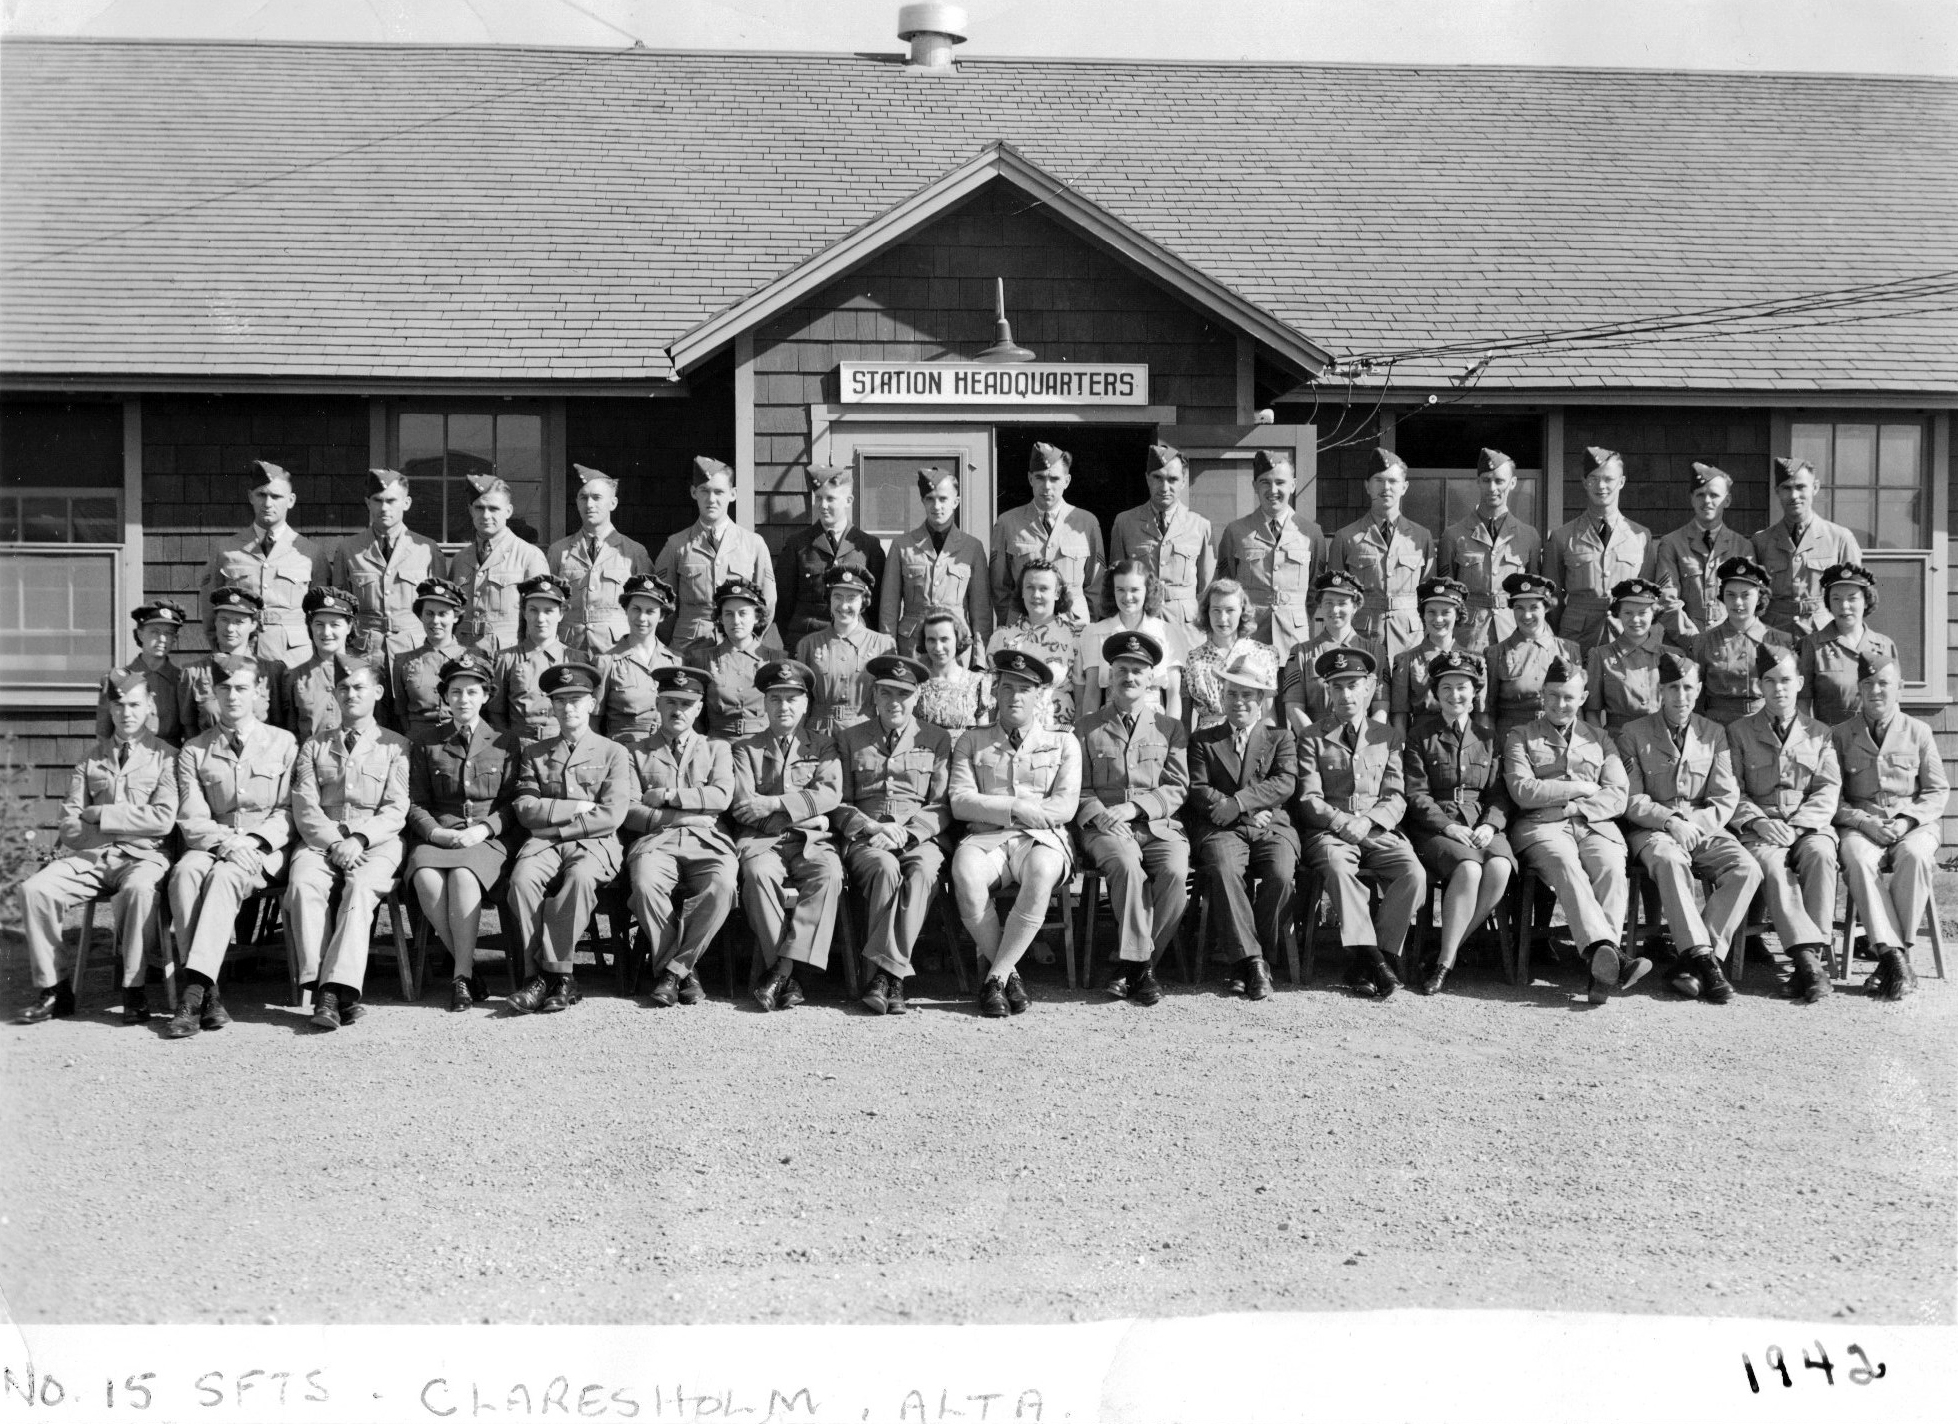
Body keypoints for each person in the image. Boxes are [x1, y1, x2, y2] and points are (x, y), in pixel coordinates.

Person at [16, 671, 177, 1025]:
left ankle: (133, 990)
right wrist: (114, 830)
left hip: (144, 858)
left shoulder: (166, 757)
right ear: (110, 709)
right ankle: (55, 990)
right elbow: (70, 825)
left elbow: (163, 819)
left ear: (149, 705)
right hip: (91, 857)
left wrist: (101, 814)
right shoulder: (91, 759)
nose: (126, 713)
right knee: (35, 890)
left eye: (135, 704)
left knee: (138, 889)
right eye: (118, 705)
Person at [164, 655, 299, 1039]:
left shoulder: (283, 742)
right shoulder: (195, 750)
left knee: (224, 876)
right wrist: (228, 842)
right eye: (225, 688)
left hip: (265, 849)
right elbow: (191, 817)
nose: (233, 696)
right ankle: (211, 994)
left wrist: (253, 841)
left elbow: (290, 809)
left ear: (258, 691)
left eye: (242, 688)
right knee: (185, 872)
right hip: (213, 842)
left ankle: (191, 994)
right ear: (213, 693)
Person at [1616, 655, 1762, 1003]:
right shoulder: (1633, 733)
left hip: (1703, 826)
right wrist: (1670, 822)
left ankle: (1693, 961)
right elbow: (1631, 799)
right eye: (1672, 688)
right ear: (1660, 691)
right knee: (1668, 861)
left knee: (1747, 869)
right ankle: (1706, 964)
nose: (1680, 696)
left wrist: (1693, 825)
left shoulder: (1714, 734)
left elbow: (1726, 797)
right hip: (1653, 828)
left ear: (1697, 691)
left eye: (1687, 688)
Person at [1503, 657, 1646, 1005]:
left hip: (1594, 826)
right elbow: (1523, 791)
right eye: (1552, 696)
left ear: (1582, 697)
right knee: (1565, 865)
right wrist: (1581, 789)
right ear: (1542, 695)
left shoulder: (1601, 740)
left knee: (1611, 868)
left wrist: (1573, 807)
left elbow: (1617, 795)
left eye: (1568, 697)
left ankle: (1601, 972)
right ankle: (1609, 957)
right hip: (1542, 828)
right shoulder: (1520, 736)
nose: (1559, 704)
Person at [948, 649, 1082, 1019]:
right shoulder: (971, 741)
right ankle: (1009, 975)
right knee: (965, 872)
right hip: (987, 840)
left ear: (1040, 696)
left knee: (1042, 871)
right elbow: (960, 801)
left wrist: (1011, 816)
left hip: (1042, 839)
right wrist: (1014, 809)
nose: (1015, 697)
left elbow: (1064, 806)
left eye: (1025, 689)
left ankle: (995, 978)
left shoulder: (1062, 742)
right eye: (1007, 688)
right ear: (995, 691)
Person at [288, 660, 413, 1030]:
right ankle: (325, 985)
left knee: (360, 887)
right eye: (343, 688)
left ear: (376, 693)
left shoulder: (396, 745)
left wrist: (359, 838)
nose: (351, 694)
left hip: (377, 841)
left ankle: (330, 993)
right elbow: (305, 805)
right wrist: (335, 842)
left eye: (359, 687)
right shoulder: (314, 746)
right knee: (303, 883)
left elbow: (396, 807)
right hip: (322, 842)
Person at [1294, 646, 1424, 998]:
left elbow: (1396, 795)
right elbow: (1309, 798)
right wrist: (1344, 824)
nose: (1345, 694)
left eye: (1353, 685)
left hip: (1377, 829)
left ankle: (1369, 959)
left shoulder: (1388, 738)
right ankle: (1376, 962)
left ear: (1369, 687)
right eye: (1337, 687)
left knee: (1412, 873)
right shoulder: (1311, 737)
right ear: (1328, 691)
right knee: (1337, 867)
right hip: (1330, 833)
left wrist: (1367, 824)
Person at [504, 661, 634, 1014]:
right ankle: (547, 978)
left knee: (579, 879)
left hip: (595, 843)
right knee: (522, 880)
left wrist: (555, 825)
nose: (568, 707)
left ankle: (548, 976)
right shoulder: (535, 752)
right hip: (544, 845)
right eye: (560, 701)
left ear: (592, 704)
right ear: (552, 706)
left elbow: (610, 815)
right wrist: (575, 806)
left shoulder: (613, 752)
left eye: (576, 699)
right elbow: (525, 808)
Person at [832, 654, 953, 1015]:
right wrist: (870, 827)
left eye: (903, 694)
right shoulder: (850, 737)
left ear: (916, 697)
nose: (894, 702)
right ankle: (887, 976)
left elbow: (942, 804)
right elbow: (838, 802)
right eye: (886, 693)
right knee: (884, 870)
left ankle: (885, 977)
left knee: (922, 873)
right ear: (874, 696)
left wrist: (908, 835)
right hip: (869, 836)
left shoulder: (936, 738)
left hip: (919, 836)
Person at [1074, 631, 1191, 1006]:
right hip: (1106, 827)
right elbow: (1076, 788)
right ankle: (1143, 969)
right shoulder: (1086, 728)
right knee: (1127, 866)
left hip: (1156, 825)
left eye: (1138, 670)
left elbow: (1177, 787)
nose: (1130, 677)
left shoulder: (1170, 728)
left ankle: (1134, 965)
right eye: (1122, 669)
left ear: (1150, 678)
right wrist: (1104, 815)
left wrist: (1137, 808)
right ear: (1110, 675)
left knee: (1175, 871)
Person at [1832, 651, 1951, 1000]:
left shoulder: (1919, 731)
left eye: (1884, 683)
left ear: (1899, 687)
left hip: (1912, 824)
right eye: (1868, 684)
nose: (1876, 691)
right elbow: (1831, 798)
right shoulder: (1841, 735)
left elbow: (1936, 790)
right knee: (1856, 857)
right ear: (1859, 688)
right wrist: (1862, 821)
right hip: (1862, 823)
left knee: (1915, 856)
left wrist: (1906, 821)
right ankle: (1896, 959)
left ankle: (1889, 958)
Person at [1726, 643, 1841, 1004]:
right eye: (1771, 681)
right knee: (1774, 866)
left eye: (1787, 680)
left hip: (1808, 826)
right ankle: (1808, 963)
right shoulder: (1739, 731)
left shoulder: (1820, 733)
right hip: (1762, 827)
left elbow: (1827, 789)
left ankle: (1810, 959)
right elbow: (1732, 790)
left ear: (1800, 683)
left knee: (1821, 855)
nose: (1779, 689)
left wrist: (1802, 827)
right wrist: (1758, 822)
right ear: (1760, 685)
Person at [405, 651, 519, 1013]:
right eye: (455, 692)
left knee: (463, 878)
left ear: (486, 695)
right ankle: (467, 973)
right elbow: (415, 802)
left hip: (487, 839)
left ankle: (460, 978)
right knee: (425, 876)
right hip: (440, 834)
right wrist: (436, 834)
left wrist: (485, 829)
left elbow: (513, 802)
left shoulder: (505, 741)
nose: (463, 700)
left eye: (472, 692)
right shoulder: (427, 741)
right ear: (445, 696)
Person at [620, 665, 737, 1009]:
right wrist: (686, 816)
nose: (678, 710)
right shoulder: (634, 751)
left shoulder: (717, 749)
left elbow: (721, 797)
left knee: (723, 886)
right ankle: (684, 972)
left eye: (686, 703)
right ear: (657, 703)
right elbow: (629, 810)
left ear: (699, 708)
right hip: (657, 841)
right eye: (670, 701)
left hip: (708, 843)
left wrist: (668, 795)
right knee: (645, 884)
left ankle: (671, 972)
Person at [731, 659, 845, 1011]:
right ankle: (788, 976)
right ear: (764, 703)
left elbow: (829, 794)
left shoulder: (823, 746)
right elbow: (742, 807)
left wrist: (775, 803)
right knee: (757, 874)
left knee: (829, 875)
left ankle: (780, 972)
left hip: (811, 845)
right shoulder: (744, 748)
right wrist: (808, 818)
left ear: (806, 703)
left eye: (792, 698)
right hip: (762, 840)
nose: (784, 706)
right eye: (776, 699)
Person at [1184, 650, 1298, 998]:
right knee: (1223, 868)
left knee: (1280, 874)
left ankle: (1248, 957)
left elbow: (1284, 783)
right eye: (1232, 693)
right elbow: (1199, 788)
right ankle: (1254, 963)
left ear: (1261, 700)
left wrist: (1239, 803)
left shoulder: (1280, 737)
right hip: (1221, 828)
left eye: (1247, 695)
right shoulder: (1204, 739)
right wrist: (1241, 811)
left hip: (1270, 826)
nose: (1238, 702)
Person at [1401, 649, 1515, 996]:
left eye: (1462, 687)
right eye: (1447, 687)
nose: (1455, 695)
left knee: (1499, 868)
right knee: (1469, 870)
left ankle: (1445, 952)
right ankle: (1445, 964)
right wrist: (1448, 826)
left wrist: (1490, 826)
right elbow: (1416, 794)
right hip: (1438, 826)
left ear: (1474, 692)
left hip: (1479, 821)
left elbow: (1499, 794)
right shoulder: (1421, 736)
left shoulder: (1489, 738)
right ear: (1436, 693)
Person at [198, 459, 328, 667]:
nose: (268, 503)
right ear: (250, 496)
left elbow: (321, 614)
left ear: (291, 500)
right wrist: (224, 652)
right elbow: (209, 610)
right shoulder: (225, 550)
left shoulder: (310, 553)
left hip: (295, 659)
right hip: (241, 657)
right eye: (261, 495)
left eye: (276, 496)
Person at [653, 455, 776, 652]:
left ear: (733, 494)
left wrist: (748, 640)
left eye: (719, 492)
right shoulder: (676, 545)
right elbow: (664, 606)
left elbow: (767, 603)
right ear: (694, 492)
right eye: (704, 491)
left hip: (737, 647)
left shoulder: (753, 544)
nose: (711, 499)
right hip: (688, 648)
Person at [1541, 446, 1656, 651]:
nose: (1601, 485)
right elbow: (1553, 599)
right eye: (1593, 478)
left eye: (1608, 479)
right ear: (1584, 482)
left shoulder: (1641, 536)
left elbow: (1646, 597)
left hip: (1624, 635)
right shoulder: (1562, 536)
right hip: (1576, 638)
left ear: (1621, 482)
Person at [1329, 447, 1436, 665]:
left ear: (1404, 487)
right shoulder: (1346, 537)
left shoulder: (1422, 537)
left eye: (1393, 481)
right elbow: (1335, 597)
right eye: (1378, 480)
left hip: (1410, 638)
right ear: (1367, 486)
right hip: (1362, 635)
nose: (1386, 488)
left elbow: (1429, 597)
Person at [1216, 449, 1326, 659]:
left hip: (1295, 641)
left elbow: (1314, 591)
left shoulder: (1311, 533)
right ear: (1255, 486)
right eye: (1265, 482)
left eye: (1280, 482)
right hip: (1250, 640)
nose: (1273, 490)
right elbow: (1226, 588)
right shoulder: (1236, 531)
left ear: (1293, 485)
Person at [329, 468, 444, 664]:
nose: (384, 508)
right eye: (377, 500)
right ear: (367, 503)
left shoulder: (426, 549)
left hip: (414, 649)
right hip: (365, 651)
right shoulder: (349, 549)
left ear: (406, 503)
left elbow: (441, 608)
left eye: (391, 501)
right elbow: (340, 608)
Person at [1108, 442, 1215, 648]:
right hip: (1141, 624)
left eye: (1173, 479)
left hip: (1187, 628)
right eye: (1158, 478)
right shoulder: (1125, 523)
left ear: (1183, 481)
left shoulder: (1200, 525)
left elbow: (1206, 588)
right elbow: (1116, 581)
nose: (1165, 487)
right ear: (1147, 479)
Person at [880, 464, 992, 659]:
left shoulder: (972, 547)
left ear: (956, 502)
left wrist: (980, 660)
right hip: (912, 647)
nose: (936, 506)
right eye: (930, 499)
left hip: (958, 647)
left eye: (943, 499)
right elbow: (889, 609)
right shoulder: (902, 546)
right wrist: (888, 655)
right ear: (922, 501)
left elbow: (981, 612)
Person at [988, 441, 1106, 626]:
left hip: (1074, 626)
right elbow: (999, 586)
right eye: (1040, 478)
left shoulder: (1086, 523)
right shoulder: (1008, 522)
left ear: (1067, 481)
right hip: (1024, 625)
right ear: (1030, 479)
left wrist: (1087, 623)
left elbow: (1096, 584)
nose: (1047, 486)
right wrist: (1012, 623)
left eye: (1054, 479)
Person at [1436, 448, 1541, 652]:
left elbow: (1536, 597)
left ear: (1512, 483)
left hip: (1513, 631)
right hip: (1468, 636)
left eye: (1499, 481)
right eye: (1486, 480)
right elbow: (1446, 597)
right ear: (1478, 482)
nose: (1492, 488)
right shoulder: (1453, 535)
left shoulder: (1529, 536)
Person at [775, 464, 888, 646]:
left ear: (849, 500)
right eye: (818, 498)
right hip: (806, 643)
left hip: (855, 644)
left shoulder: (869, 546)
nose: (823, 505)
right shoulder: (797, 545)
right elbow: (783, 606)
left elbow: (877, 606)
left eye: (830, 499)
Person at [549, 463, 654, 659]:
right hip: (569, 648)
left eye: (596, 498)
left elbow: (649, 606)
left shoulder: (633, 552)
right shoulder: (559, 551)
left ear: (613, 503)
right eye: (583, 497)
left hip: (617, 650)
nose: (589, 505)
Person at [1755, 456, 1863, 639]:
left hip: (1824, 632)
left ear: (1815, 487)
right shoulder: (1762, 541)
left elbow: (1855, 598)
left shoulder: (1840, 538)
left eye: (1800, 487)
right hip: (1773, 633)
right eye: (1786, 488)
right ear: (1777, 491)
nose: (1794, 495)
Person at [1277, 570, 1388, 739]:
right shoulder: (1301, 652)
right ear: (1320, 606)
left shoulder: (1375, 652)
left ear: (1355, 606)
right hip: (1315, 747)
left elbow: (1381, 706)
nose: (1335, 610)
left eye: (1342, 603)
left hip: (1362, 745)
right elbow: (1294, 708)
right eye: (1328, 603)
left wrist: (1366, 743)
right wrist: (1316, 745)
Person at [448, 473, 550, 655]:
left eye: (494, 509)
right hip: (463, 658)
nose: (486, 515)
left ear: (509, 511)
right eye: (479, 508)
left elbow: (540, 621)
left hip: (507, 657)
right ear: (471, 510)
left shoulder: (529, 556)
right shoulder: (460, 559)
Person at [1688, 555, 1795, 725]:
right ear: (1722, 596)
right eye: (1730, 595)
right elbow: (1695, 697)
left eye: (1746, 595)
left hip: (1765, 725)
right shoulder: (1704, 642)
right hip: (1717, 727)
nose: (1737, 602)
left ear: (1760, 597)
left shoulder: (1779, 641)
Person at [795, 563, 895, 742]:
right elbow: (802, 699)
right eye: (838, 597)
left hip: (866, 734)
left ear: (863, 601)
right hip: (819, 735)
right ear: (829, 600)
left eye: (852, 598)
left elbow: (890, 699)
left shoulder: (883, 645)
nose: (844, 605)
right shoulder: (808, 644)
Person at [1653, 462, 1752, 640]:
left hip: (1730, 643)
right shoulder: (1672, 544)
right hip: (1683, 646)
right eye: (1700, 495)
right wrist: (1693, 640)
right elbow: (1666, 600)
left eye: (1714, 495)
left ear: (1727, 500)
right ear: (1692, 498)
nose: (1707, 501)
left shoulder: (1743, 547)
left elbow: (1749, 601)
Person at [1077, 560, 1183, 720]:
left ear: (1147, 591)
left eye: (1135, 590)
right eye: (1120, 589)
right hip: (1110, 720)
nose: (1127, 597)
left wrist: (1171, 734)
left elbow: (1174, 692)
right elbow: (1092, 691)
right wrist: (1087, 734)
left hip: (1154, 721)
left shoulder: (1167, 632)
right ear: (1112, 591)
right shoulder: (1095, 632)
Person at [987, 558, 1085, 728]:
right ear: (1022, 592)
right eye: (1030, 587)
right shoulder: (1002, 638)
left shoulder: (1075, 636)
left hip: (1056, 734)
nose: (1036, 595)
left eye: (1043, 589)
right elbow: (991, 699)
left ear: (1057, 593)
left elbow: (1082, 699)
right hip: (1009, 735)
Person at [1799, 562, 1898, 727]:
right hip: (1831, 742)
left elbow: (1894, 701)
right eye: (1836, 599)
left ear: (1866, 601)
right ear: (1829, 603)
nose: (1844, 606)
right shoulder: (1812, 645)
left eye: (1852, 598)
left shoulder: (1885, 645)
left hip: (1874, 743)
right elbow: (1802, 702)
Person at [1583, 577, 1685, 734]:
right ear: (1618, 614)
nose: (1635, 619)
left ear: (1654, 614)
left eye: (1643, 613)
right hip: (1619, 741)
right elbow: (1592, 712)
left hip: (1663, 739)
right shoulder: (1600, 656)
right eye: (1628, 612)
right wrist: (1602, 745)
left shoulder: (1673, 655)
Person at [1487, 572, 1580, 739]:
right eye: (1519, 608)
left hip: (1557, 737)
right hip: (1510, 737)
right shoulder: (1495, 653)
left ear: (1546, 608)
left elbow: (1580, 709)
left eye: (1534, 607)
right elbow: (1486, 712)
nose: (1526, 615)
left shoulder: (1568, 650)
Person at [1181, 578, 1275, 734]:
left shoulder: (1263, 654)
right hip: (1206, 744)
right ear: (1207, 612)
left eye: (1230, 610)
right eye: (1216, 610)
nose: (1222, 618)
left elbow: (1268, 714)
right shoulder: (1194, 658)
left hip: (1250, 739)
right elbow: (1185, 719)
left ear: (1242, 612)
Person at [594, 572, 683, 739]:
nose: (642, 618)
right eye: (636, 609)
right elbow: (594, 722)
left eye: (650, 612)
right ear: (626, 610)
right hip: (624, 753)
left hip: (665, 753)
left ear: (662, 616)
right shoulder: (606, 662)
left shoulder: (676, 661)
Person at [98, 598, 194, 747]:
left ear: (175, 639)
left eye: (168, 634)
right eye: (155, 632)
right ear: (141, 634)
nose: (162, 639)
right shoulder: (117, 680)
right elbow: (104, 735)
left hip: (169, 760)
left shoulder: (181, 680)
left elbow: (190, 733)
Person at [685, 577, 771, 741]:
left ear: (757, 617)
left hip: (761, 747)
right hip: (717, 745)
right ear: (720, 618)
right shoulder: (701, 659)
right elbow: (695, 715)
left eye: (743, 613)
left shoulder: (773, 659)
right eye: (729, 614)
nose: (736, 621)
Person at [490, 574, 572, 743]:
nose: (540, 619)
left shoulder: (575, 659)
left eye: (549, 611)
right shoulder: (506, 659)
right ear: (524, 612)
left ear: (561, 614)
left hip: (562, 748)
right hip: (519, 749)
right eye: (533, 610)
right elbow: (496, 714)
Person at [1389, 576, 1478, 732]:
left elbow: (1482, 714)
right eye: (1431, 612)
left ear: (1457, 615)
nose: (1438, 619)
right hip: (1421, 741)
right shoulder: (1406, 661)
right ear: (1423, 615)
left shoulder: (1474, 661)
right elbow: (1400, 717)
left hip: (1463, 737)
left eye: (1446, 612)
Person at [278, 585, 366, 741]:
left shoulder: (365, 673)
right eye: (319, 624)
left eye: (334, 624)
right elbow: (289, 733)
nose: (326, 632)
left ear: (349, 627)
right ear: (310, 627)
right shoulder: (294, 676)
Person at [389, 576, 467, 743]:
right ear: (421, 616)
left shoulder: (469, 659)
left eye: (443, 614)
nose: (435, 621)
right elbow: (401, 712)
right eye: (429, 614)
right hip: (417, 742)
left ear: (455, 617)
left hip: (457, 741)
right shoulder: (404, 661)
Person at [913, 605, 993, 733]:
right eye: (931, 640)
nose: (938, 648)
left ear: (958, 639)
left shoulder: (976, 682)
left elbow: (982, 736)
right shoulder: (917, 682)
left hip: (965, 752)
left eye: (944, 639)